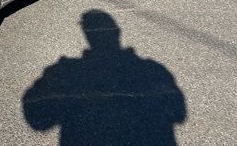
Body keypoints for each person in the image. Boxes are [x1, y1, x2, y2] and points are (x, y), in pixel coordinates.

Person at [23, 10, 186, 145]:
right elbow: (179, 113)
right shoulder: (153, 70)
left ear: (86, 36)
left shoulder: (68, 71)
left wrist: (51, 77)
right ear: (117, 32)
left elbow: (37, 119)